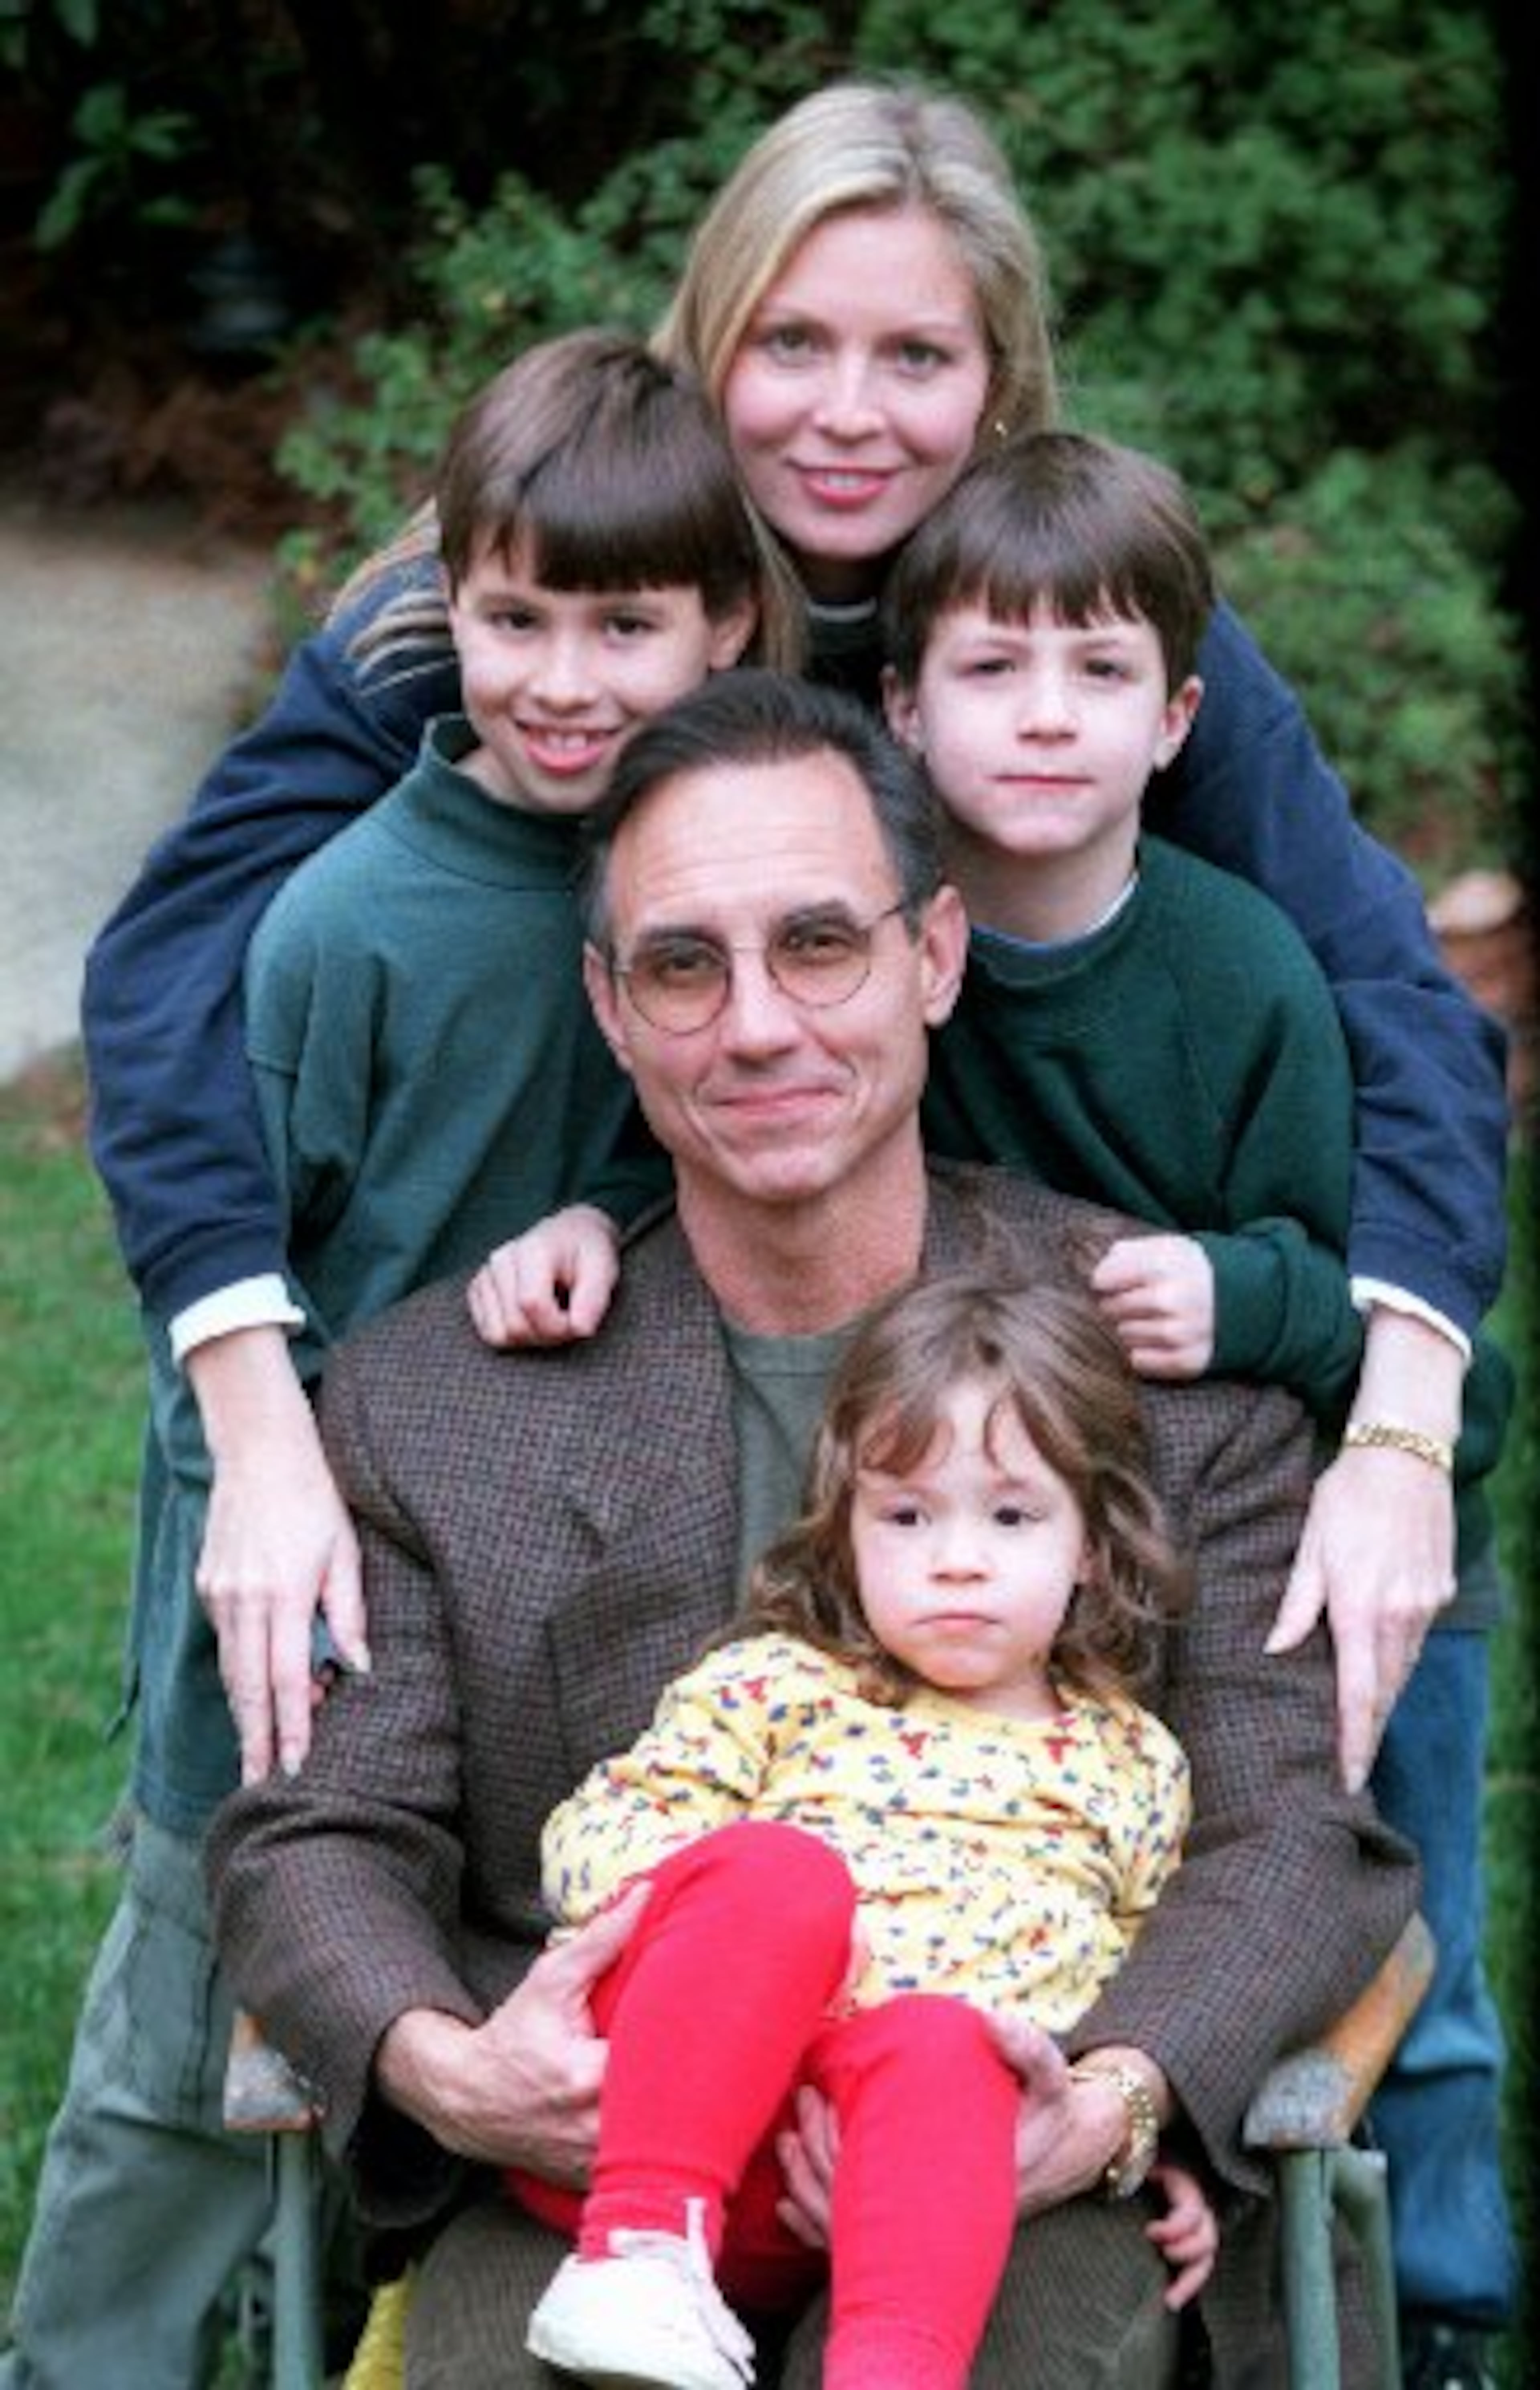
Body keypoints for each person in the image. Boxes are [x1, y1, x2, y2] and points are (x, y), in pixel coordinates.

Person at [65, 73, 1508, 2377]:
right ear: (710, 336)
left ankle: (1430, 2276)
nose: (850, 410)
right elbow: (164, 971)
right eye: (796, 343)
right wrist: (264, 1399)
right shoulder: (512, 583)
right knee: (223, 1853)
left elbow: (1395, 1010)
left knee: (1352, 1702)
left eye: (915, 354)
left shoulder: (1053, 616)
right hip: (569, 1327)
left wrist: (1401, 1411)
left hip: (1073, 1344)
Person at [206, 669, 1417, 2390]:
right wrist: (444, 2066)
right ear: (611, 1007)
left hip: (1020, 2129)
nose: (758, 1026)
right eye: (683, 966)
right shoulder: (433, 1401)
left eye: (821, 945)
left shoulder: (1161, 1360)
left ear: (937, 956)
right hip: (592, 2154)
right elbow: (319, 1827)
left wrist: (1114, 2100)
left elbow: (1291, 1831)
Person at [482, 429, 1519, 2388]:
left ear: (1179, 717)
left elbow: (1354, 1261)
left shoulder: (1243, 967)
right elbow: (759, 1119)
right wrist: (600, 1220)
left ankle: (1441, 2307)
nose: (1045, 715)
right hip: (988, 1440)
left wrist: (1261, 1306)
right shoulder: (864, 922)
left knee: (1413, 1946)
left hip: (1309, 1480)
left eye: (1098, 671)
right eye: (992, 667)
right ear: (904, 701)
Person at [0, 330, 771, 2390]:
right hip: (305, 1598)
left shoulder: (707, 890)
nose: (564, 680)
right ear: (447, 616)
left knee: (451, 2013)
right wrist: (284, 1540)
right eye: (515, 621)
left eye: (625, 627)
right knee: (191, 2048)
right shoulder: (342, 924)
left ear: (727, 624)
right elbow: (223, 1303)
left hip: (574, 1599)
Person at [516, 1268, 1216, 2390]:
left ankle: (892, 2372)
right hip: (674, 2118)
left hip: (914, 2187)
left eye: (1012, 1516)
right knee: (780, 1877)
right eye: (906, 1515)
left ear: (1091, 1542)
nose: (957, 1557)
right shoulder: (775, 1686)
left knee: (949, 2045)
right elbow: (601, 1845)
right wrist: (775, 1945)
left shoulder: (1131, 1764)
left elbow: (1141, 1978)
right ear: (846, 1532)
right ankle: (638, 2261)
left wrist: (1141, 2145)